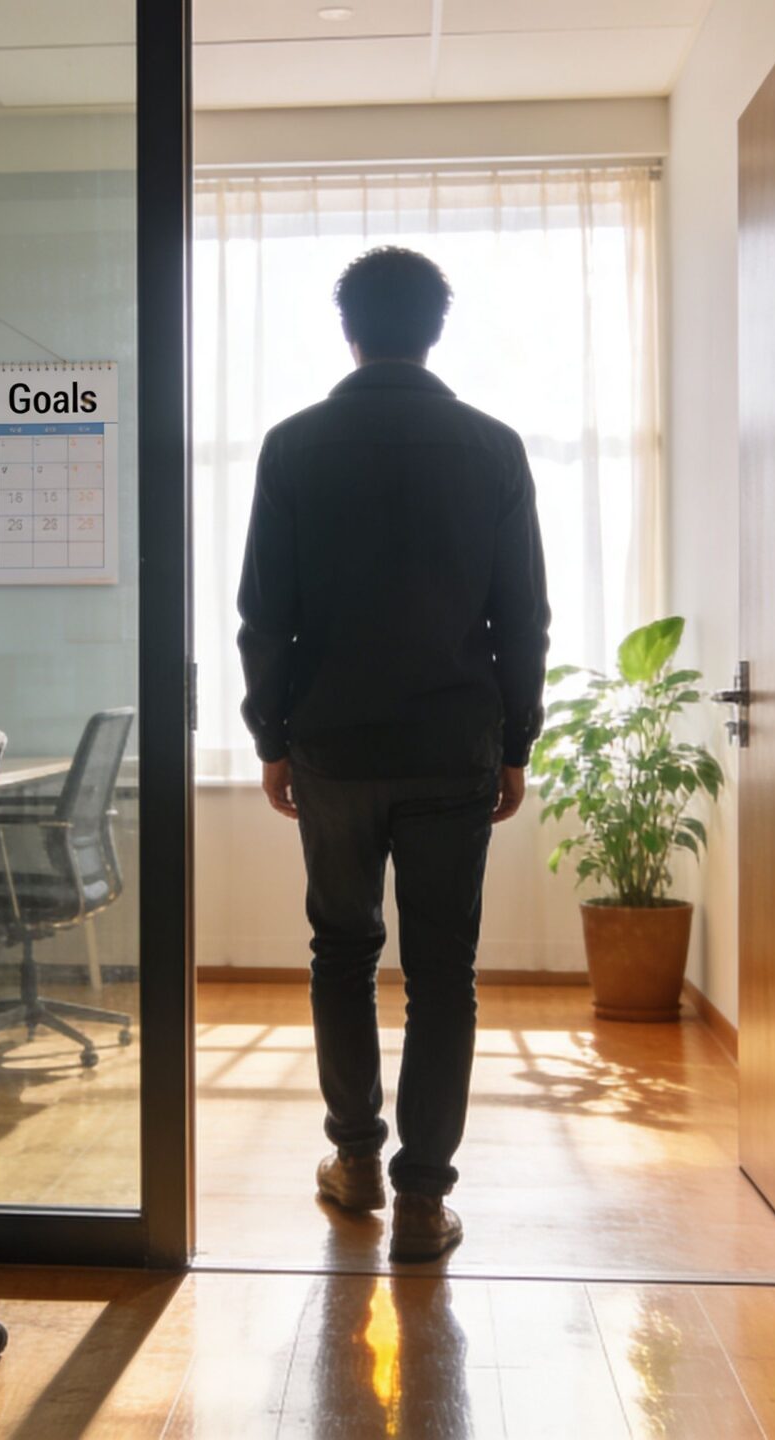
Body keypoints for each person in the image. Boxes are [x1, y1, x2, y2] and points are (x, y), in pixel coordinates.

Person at [236, 245, 551, 1262]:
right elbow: (523, 615)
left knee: (340, 952)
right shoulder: (493, 447)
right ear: (434, 328)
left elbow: (262, 616)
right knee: (442, 972)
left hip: (330, 743)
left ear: (349, 328)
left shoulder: (293, 446)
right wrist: (516, 739)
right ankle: (424, 1196)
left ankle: (356, 1161)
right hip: (454, 743)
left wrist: (268, 735)